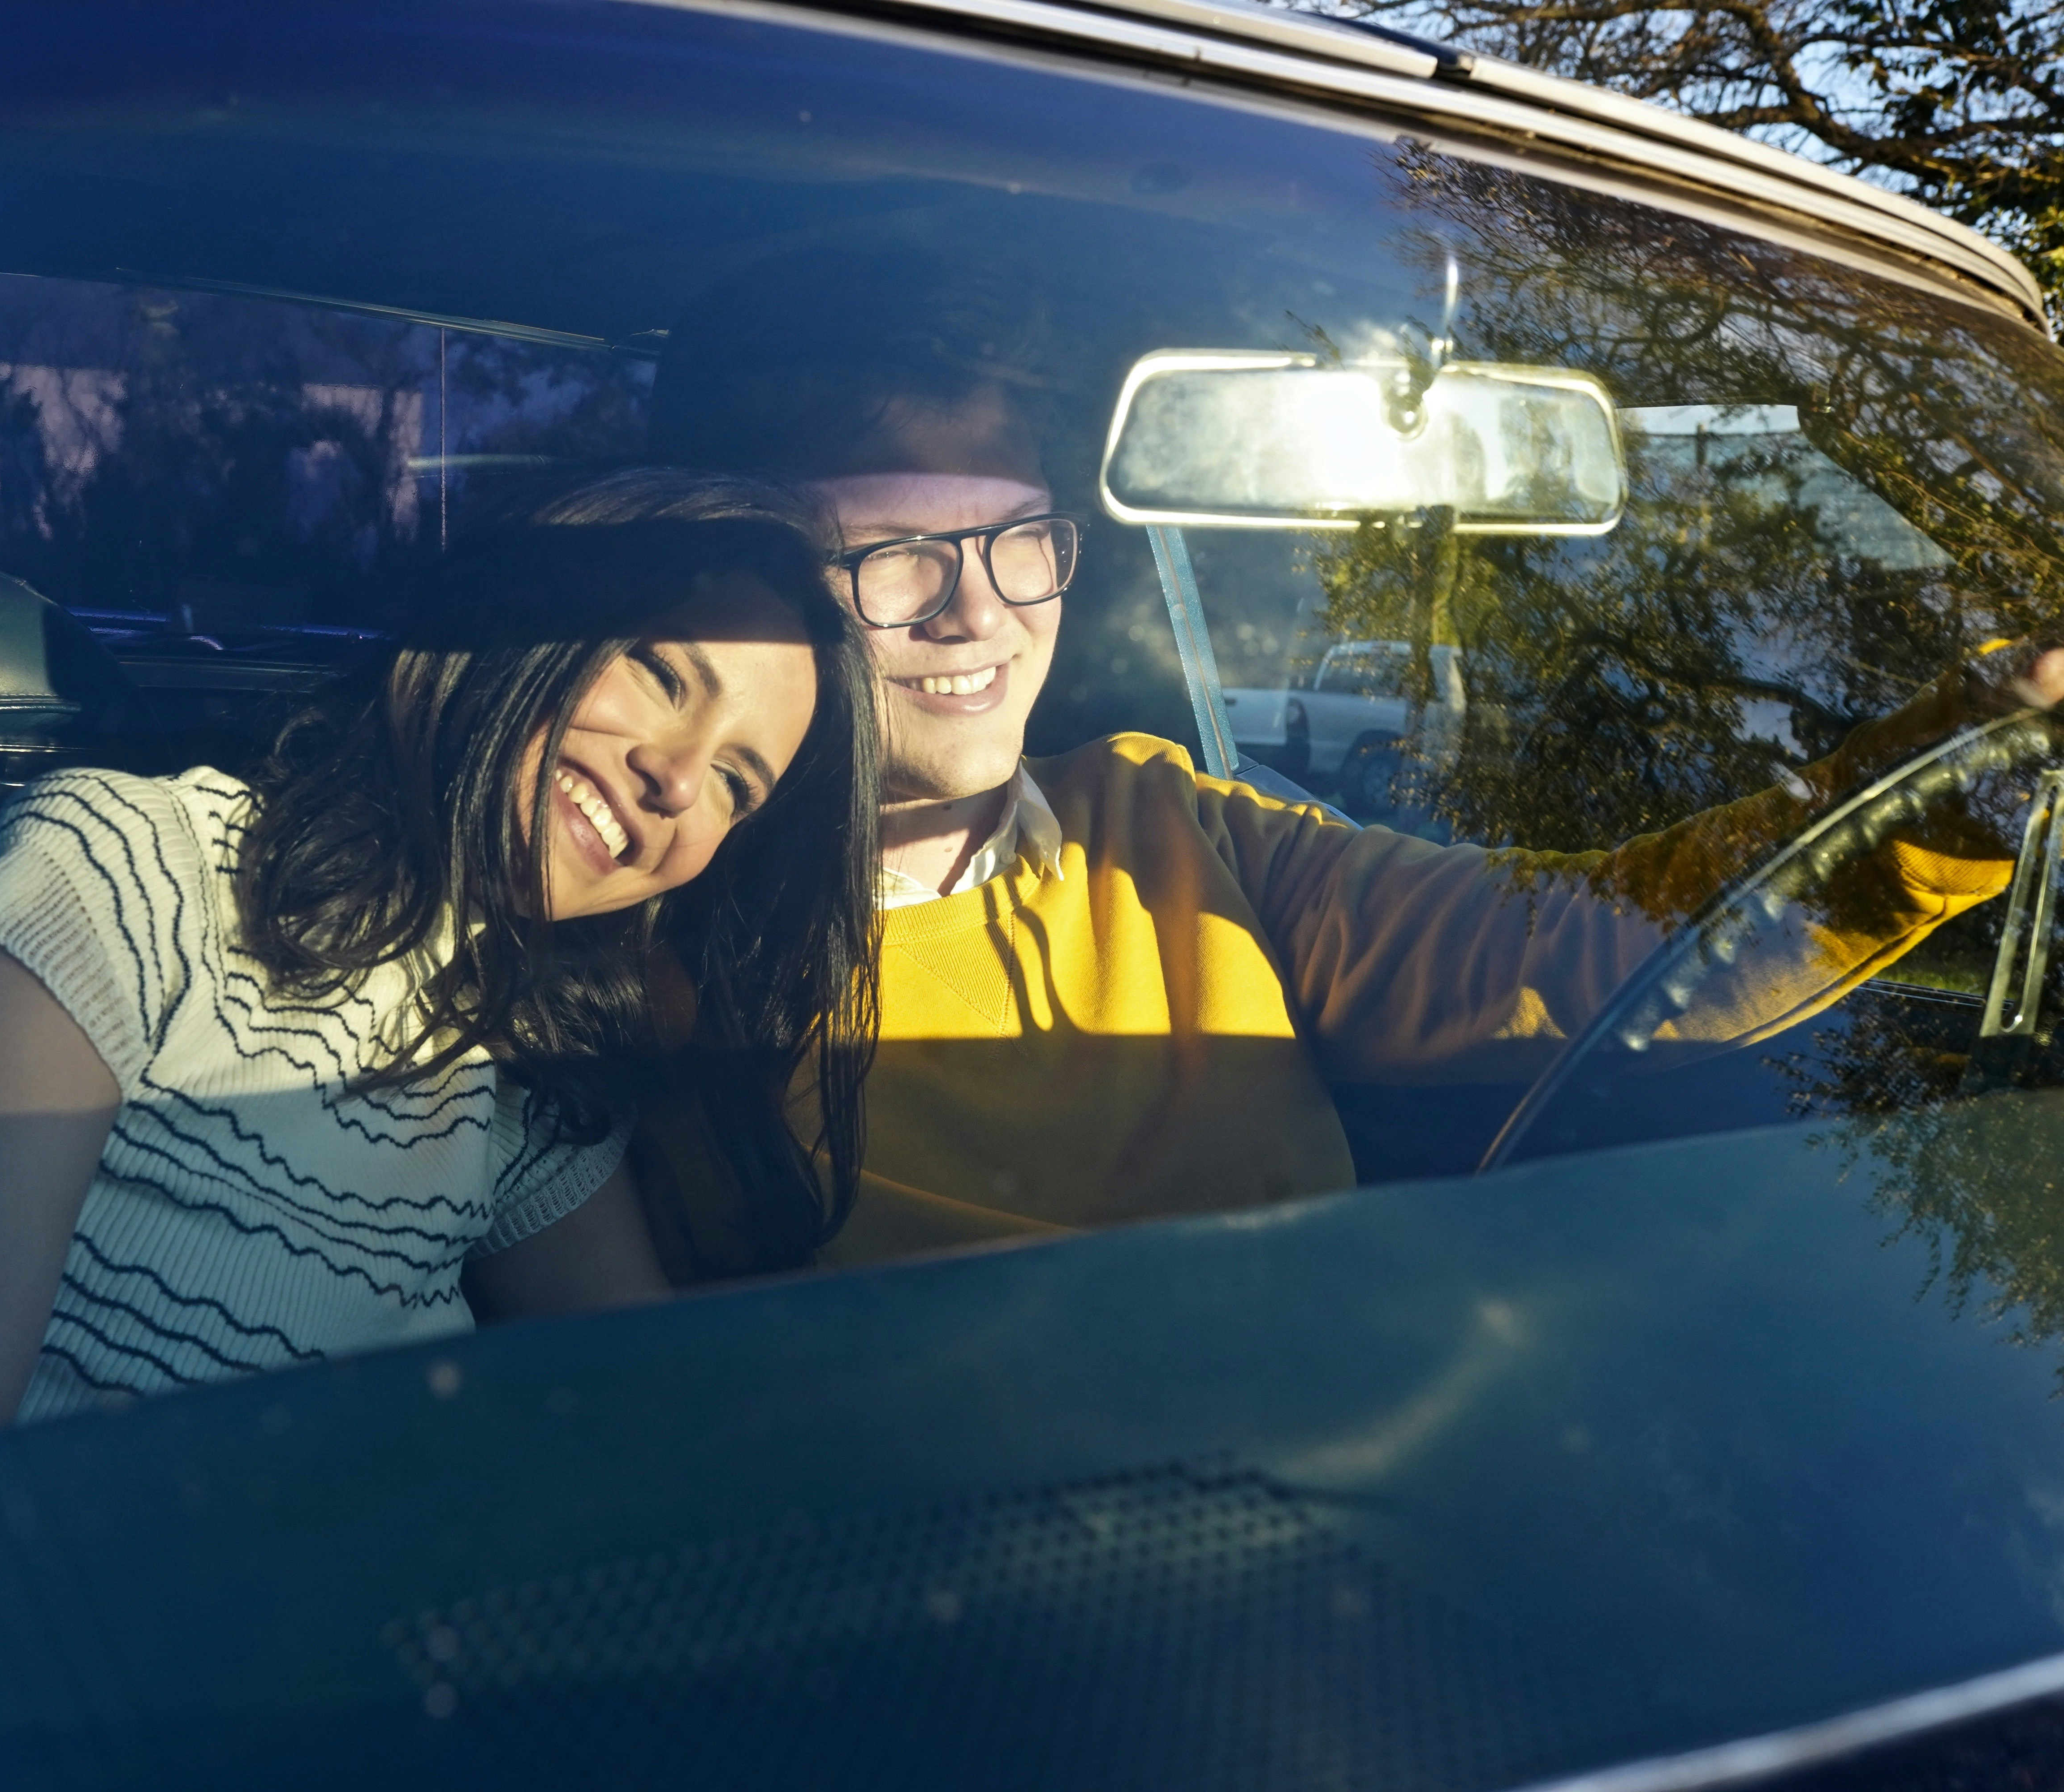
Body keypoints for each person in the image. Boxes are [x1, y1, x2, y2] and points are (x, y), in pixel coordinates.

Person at [632, 247, 2064, 1276]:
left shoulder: (1173, 830)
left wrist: (1976, 760)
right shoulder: (609, 929)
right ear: (741, 581)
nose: (981, 614)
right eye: (892, 559)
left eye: (1019, 538)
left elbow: (1605, 950)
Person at [0, 475, 881, 1469]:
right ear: (523, 617)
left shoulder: (517, 1042)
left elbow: (656, 1409)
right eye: (660, 673)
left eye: (738, 784)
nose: (679, 778)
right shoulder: (128, 869)